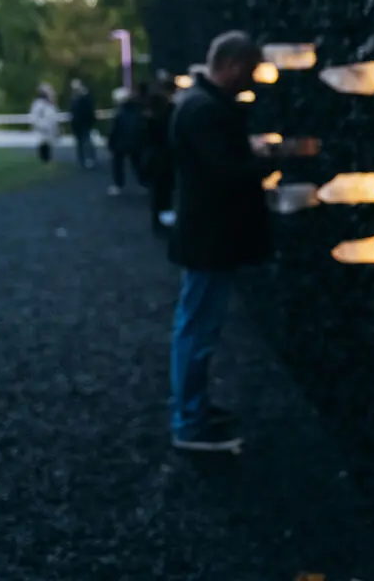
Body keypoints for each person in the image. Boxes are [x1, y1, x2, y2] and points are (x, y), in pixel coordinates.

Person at [167, 30, 274, 452]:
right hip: (209, 239)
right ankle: (190, 423)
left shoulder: (198, 105)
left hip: (206, 237)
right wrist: (263, 160)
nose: (251, 81)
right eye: (248, 72)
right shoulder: (205, 110)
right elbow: (226, 172)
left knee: (195, 326)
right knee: (196, 330)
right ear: (231, 66)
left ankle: (192, 412)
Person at [144, 76, 177, 237]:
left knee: (158, 192)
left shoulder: (151, 112)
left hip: (154, 156)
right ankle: (165, 219)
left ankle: (158, 221)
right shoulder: (171, 111)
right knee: (166, 191)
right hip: (167, 156)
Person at [107, 88, 144, 196]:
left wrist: (111, 144)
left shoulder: (119, 113)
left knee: (118, 165)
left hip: (120, 143)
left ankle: (118, 185)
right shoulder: (138, 110)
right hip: (135, 142)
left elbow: (114, 130)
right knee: (137, 164)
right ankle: (142, 183)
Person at [68, 79, 97, 169]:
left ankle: (90, 159)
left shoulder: (84, 98)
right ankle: (82, 160)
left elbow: (90, 111)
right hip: (78, 124)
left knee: (86, 142)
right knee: (81, 143)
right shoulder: (74, 98)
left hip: (84, 123)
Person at [28, 84, 60, 164]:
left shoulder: (50, 105)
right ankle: (44, 160)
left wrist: (56, 128)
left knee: (49, 146)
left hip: (50, 130)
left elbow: (54, 117)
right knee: (44, 146)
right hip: (42, 131)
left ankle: (48, 160)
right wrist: (42, 125)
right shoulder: (38, 104)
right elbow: (34, 118)